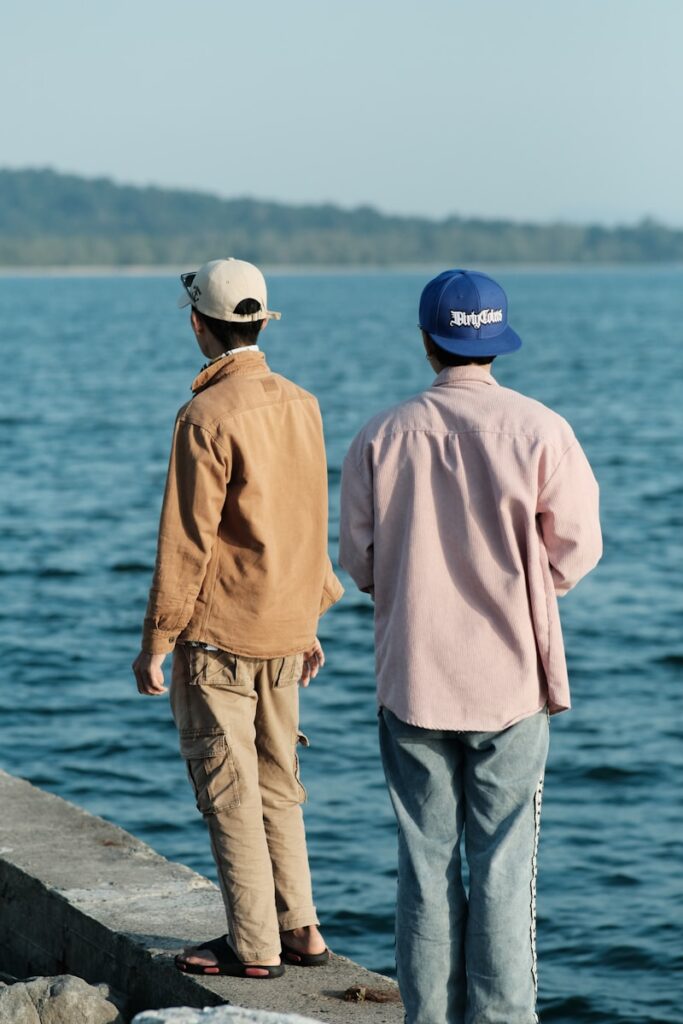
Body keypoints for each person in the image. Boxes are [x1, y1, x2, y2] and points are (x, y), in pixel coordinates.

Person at [339, 269, 602, 1024]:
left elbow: (358, 561)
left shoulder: (381, 435)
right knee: (504, 870)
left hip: (412, 680)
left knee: (424, 867)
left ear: (428, 343)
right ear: (498, 342)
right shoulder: (542, 430)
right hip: (511, 682)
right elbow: (577, 549)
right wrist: (528, 588)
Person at [132, 258, 343, 979]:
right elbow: (308, 519)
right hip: (287, 628)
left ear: (199, 324)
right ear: (259, 323)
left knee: (229, 791)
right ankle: (301, 928)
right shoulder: (302, 403)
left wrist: (156, 642)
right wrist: (311, 615)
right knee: (278, 782)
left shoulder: (203, 416)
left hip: (221, 634)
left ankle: (253, 947)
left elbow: (185, 541)